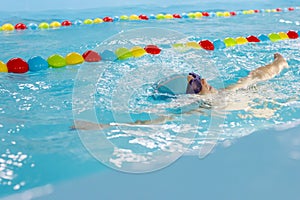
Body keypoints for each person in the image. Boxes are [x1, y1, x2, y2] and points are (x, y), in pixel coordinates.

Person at [73, 53, 289, 130]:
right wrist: (105, 126)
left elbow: (256, 75)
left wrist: (279, 63)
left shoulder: (222, 92)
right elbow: (154, 122)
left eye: (196, 76)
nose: (202, 81)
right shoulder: (200, 110)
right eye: (195, 84)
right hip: (272, 109)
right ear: (187, 96)